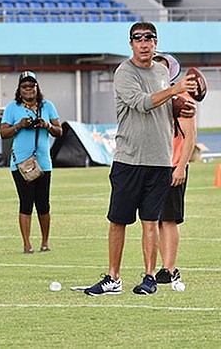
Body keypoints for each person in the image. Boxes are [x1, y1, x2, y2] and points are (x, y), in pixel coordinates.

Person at [83, 22, 196, 296]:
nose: (144, 43)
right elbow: (142, 103)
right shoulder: (124, 72)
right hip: (129, 159)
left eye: (149, 38)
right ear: (131, 44)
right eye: (138, 39)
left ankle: (149, 277)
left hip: (159, 160)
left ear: (156, 42)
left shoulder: (161, 72)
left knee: (151, 221)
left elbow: (162, 107)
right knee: (118, 220)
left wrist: (182, 109)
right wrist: (175, 90)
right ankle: (113, 277)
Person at [0, 70, 62, 254]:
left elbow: (59, 131)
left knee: (44, 204)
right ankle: (27, 244)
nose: (28, 89)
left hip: (43, 161)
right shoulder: (12, 107)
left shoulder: (47, 106)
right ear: (19, 89)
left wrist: (47, 125)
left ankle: (45, 242)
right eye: (24, 86)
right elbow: (3, 133)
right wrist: (19, 125)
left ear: (37, 87)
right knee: (25, 203)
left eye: (32, 85)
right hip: (21, 162)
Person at [153, 53, 196, 287]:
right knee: (156, 219)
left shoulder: (182, 97)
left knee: (169, 219)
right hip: (153, 164)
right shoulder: (153, 97)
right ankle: (164, 265)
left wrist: (180, 167)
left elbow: (190, 136)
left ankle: (170, 268)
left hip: (172, 164)